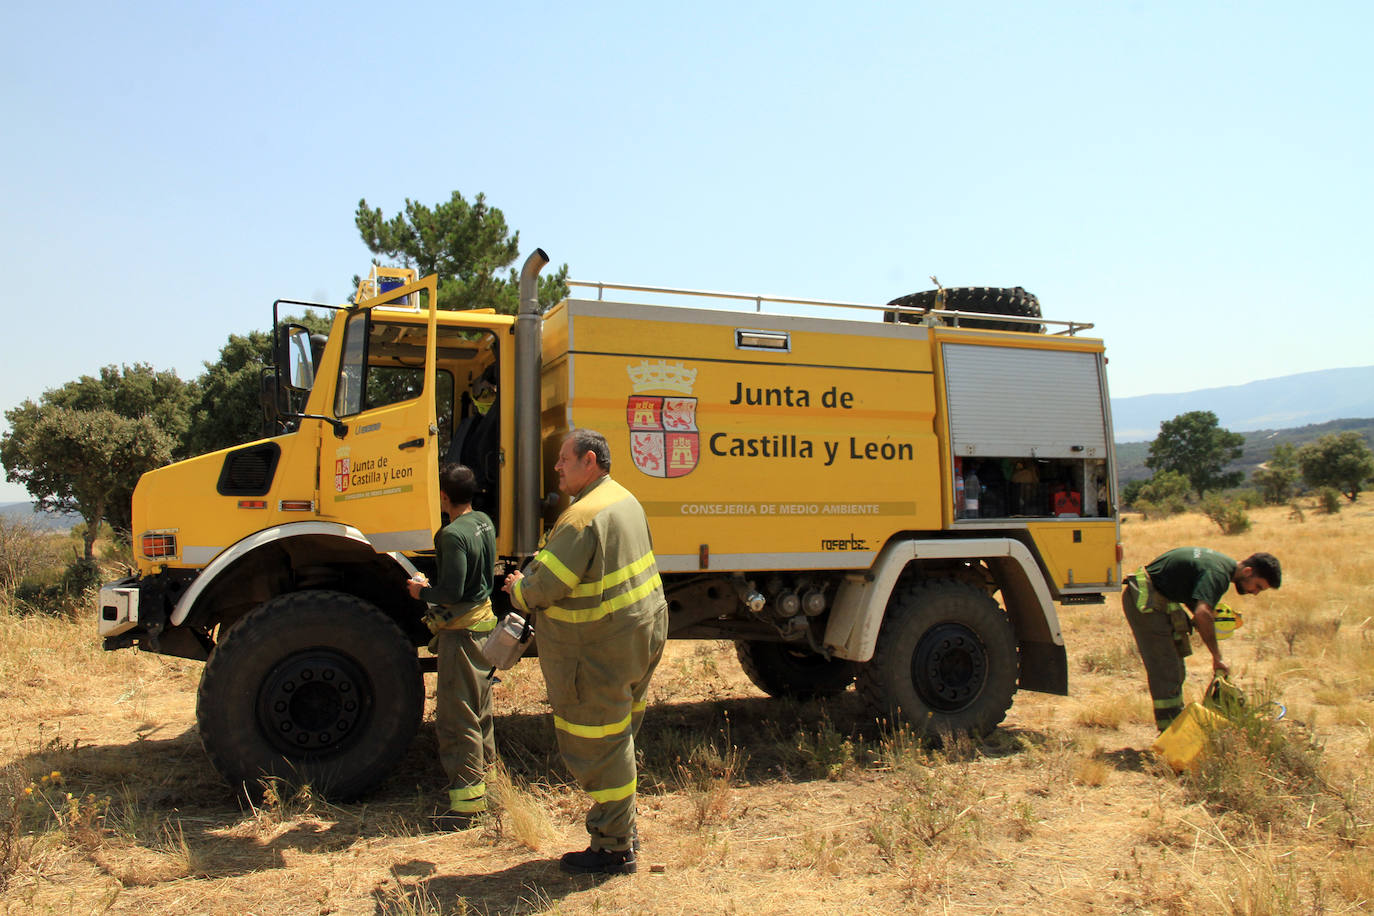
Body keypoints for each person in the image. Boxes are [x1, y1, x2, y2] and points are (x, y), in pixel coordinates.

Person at [502, 429, 668, 875]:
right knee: (619, 736)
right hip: (642, 633)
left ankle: (614, 849)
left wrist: (519, 589)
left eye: (563, 459)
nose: (556, 466)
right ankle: (623, 829)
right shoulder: (624, 499)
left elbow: (544, 588)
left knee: (597, 742)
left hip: (599, 649)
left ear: (589, 461)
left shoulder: (579, 518)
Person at [406, 463, 498, 829]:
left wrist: (421, 590)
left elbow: (453, 592)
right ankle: (490, 787)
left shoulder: (451, 534)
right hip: (483, 630)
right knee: (480, 712)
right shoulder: (484, 522)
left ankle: (467, 807)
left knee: (457, 720)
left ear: (444, 496)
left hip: (460, 635)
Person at [1122, 547, 1281, 731]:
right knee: (1167, 669)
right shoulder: (1218, 574)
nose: (1255, 593)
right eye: (1258, 586)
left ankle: (1174, 726)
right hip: (1146, 601)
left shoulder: (1221, 563)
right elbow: (1202, 613)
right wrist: (1217, 657)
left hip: (1156, 597)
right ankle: (1171, 736)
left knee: (1175, 667)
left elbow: (1196, 600)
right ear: (1248, 571)